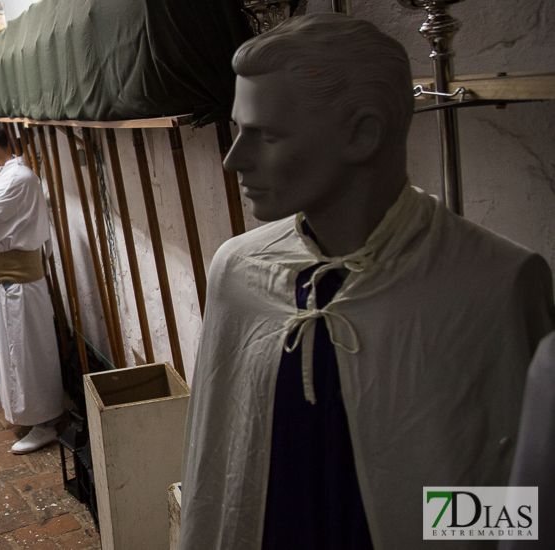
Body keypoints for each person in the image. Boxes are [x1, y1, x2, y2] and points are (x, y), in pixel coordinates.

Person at [178, 14, 555, 550]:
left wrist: (416, 508)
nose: (233, 159)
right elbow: (216, 470)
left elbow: (516, 498)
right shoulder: (238, 272)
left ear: (362, 133)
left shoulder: (496, 283)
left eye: (266, 135)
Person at [0, 120, 64, 454]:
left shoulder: (17, 179)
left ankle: (45, 421)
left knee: (26, 354)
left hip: (18, 284)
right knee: (14, 353)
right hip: (5, 283)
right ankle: (30, 414)